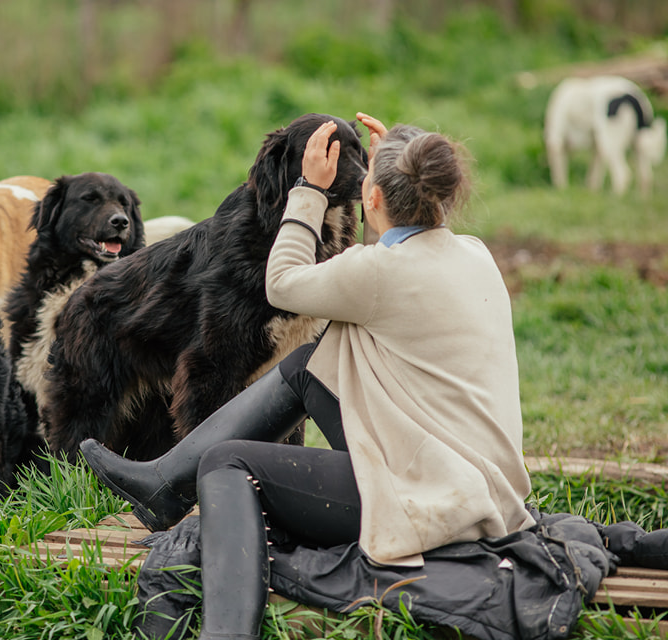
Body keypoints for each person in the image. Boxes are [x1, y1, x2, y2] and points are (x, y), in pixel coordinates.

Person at [80, 112, 535, 640]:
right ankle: (164, 483)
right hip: (488, 488)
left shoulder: (375, 275)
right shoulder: (472, 256)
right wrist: (389, 180)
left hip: (434, 502)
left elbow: (284, 283)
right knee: (305, 368)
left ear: (375, 199)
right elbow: (396, 243)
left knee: (230, 465)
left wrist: (307, 189)